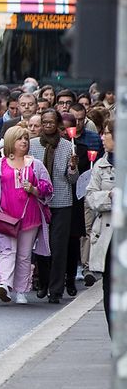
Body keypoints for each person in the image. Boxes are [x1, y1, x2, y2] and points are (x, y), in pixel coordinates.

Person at [0, 126, 53, 304]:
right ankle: (4, 284)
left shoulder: (35, 164)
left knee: (24, 254)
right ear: (10, 142)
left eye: (26, 139)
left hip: (30, 217)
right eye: (19, 138)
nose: (24, 142)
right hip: (4, 216)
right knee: (7, 250)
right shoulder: (0, 163)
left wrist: (35, 189)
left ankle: (21, 290)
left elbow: (48, 188)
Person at [30, 109, 79, 303]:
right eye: (45, 122)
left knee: (58, 246)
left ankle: (56, 290)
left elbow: (72, 179)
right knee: (42, 244)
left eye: (51, 122)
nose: (48, 125)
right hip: (40, 201)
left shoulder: (68, 147)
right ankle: (43, 282)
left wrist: (73, 167)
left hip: (61, 201)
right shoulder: (33, 145)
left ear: (58, 124)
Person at [85, 121, 114, 331]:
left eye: (106, 133)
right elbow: (90, 197)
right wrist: (111, 196)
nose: (102, 138)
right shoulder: (100, 165)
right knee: (110, 289)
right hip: (107, 233)